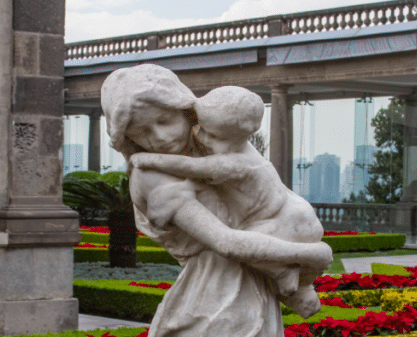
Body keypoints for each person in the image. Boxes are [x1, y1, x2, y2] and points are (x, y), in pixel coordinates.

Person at [101, 64, 332, 337]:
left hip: (249, 301)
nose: (161, 138)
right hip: (214, 305)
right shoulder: (154, 175)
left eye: (165, 119)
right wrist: (312, 255)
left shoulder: (220, 150)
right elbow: (226, 242)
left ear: (187, 109)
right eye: (143, 132)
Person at [130, 85, 327, 318]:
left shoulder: (235, 162)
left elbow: (192, 168)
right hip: (288, 217)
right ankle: (295, 285)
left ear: (233, 139)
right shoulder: (235, 144)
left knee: (256, 248)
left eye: (210, 135)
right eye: (200, 129)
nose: (200, 136)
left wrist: (146, 158)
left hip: (279, 220)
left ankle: (284, 274)